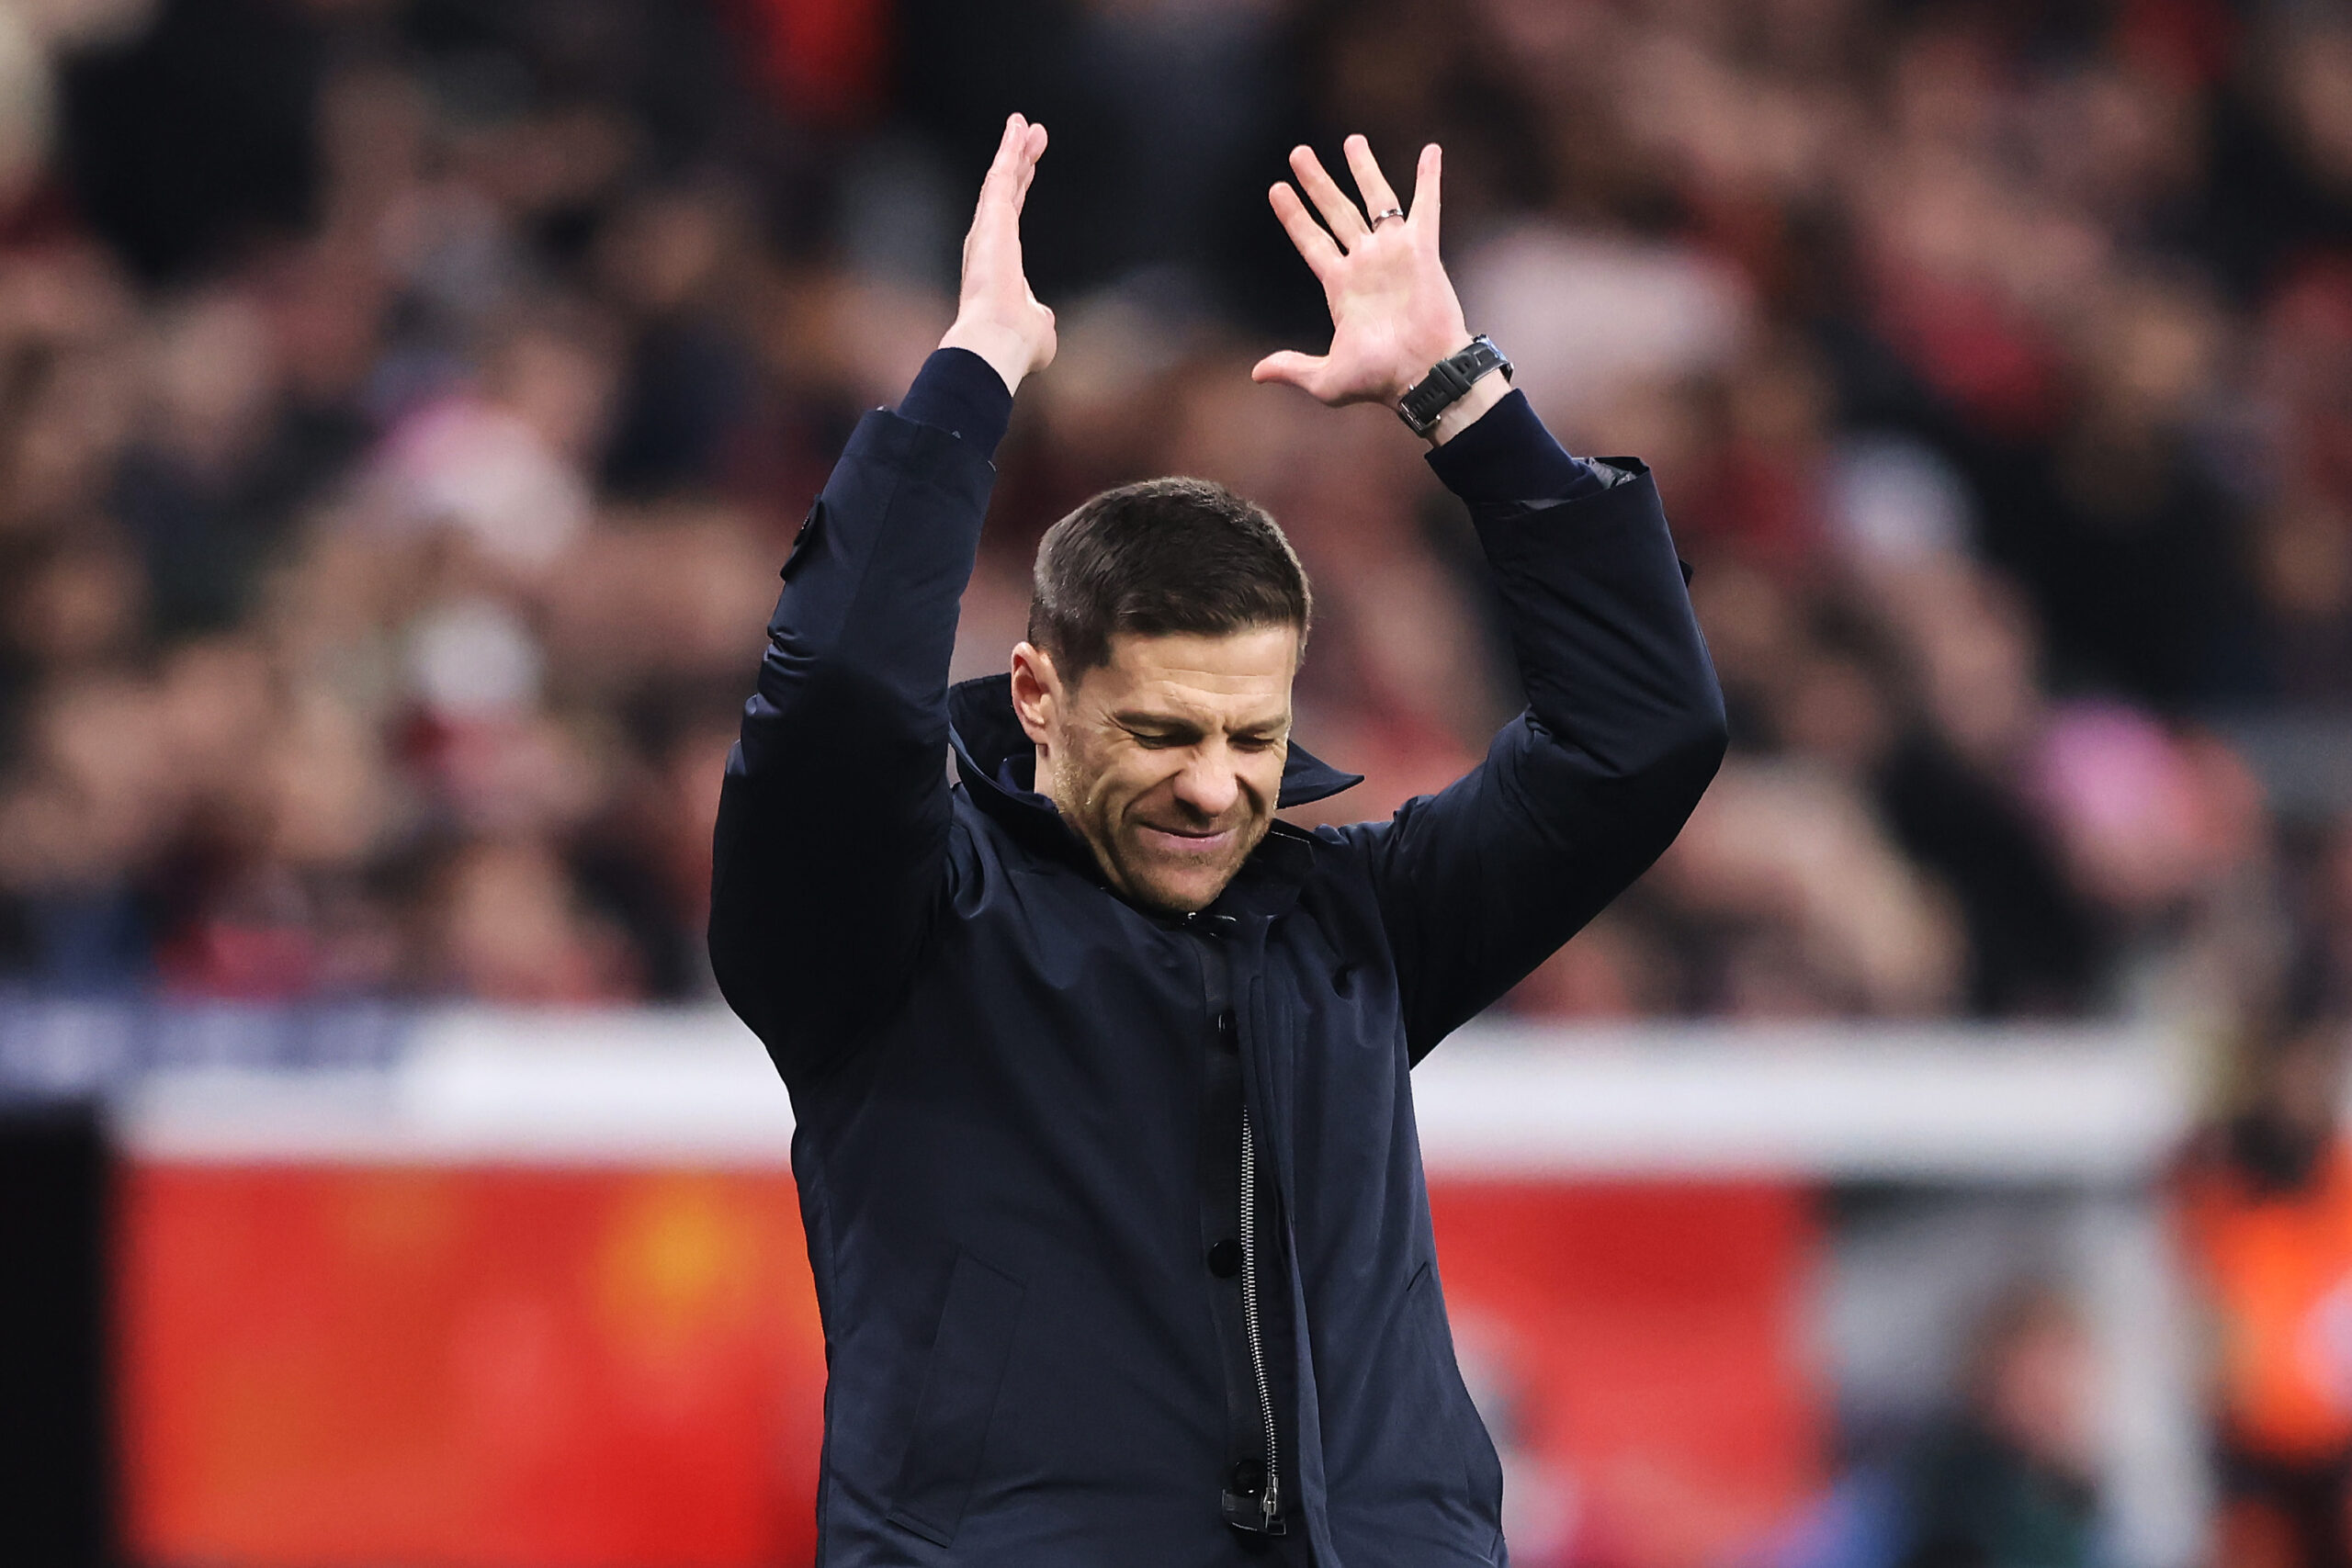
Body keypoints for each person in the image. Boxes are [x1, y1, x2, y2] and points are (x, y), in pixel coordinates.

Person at [708, 114, 1725, 1565]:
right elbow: (836, 702)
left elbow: (1643, 733)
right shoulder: (894, 936)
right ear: (1036, 693)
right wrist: (973, 374)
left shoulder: (1358, 924)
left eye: (1253, 737)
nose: (1213, 788)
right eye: (1162, 733)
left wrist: (1464, 397)